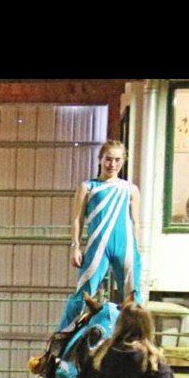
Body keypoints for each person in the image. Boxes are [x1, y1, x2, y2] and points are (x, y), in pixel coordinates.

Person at [58, 140, 141, 332]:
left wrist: (136, 249)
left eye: (117, 160)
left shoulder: (130, 189)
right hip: (98, 247)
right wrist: (75, 246)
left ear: (123, 161)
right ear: (100, 160)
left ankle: (141, 339)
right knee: (82, 295)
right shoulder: (88, 187)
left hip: (126, 246)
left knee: (134, 297)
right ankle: (60, 340)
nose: (112, 164)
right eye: (108, 159)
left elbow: (135, 221)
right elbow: (78, 219)